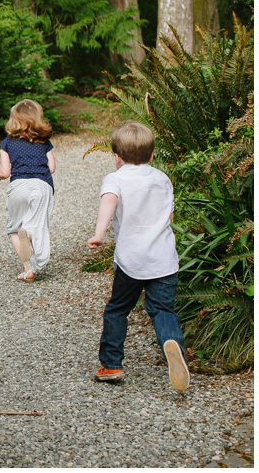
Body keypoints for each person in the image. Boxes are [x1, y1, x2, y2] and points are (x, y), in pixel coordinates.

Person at [88, 121, 190, 392]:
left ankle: (111, 365)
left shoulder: (115, 179)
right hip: (164, 259)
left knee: (118, 309)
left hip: (132, 260)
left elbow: (108, 203)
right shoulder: (162, 179)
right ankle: (173, 346)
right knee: (162, 310)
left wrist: (99, 233)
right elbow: (168, 216)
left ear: (117, 156)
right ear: (152, 155)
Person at [0, 99, 56, 282]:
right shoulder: (44, 141)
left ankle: (28, 269)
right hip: (42, 186)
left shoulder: (7, 143)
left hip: (19, 186)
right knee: (37, 223)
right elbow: (51, 167)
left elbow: (5, 172)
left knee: (13, 229)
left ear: (14, 119)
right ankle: (30, 234)